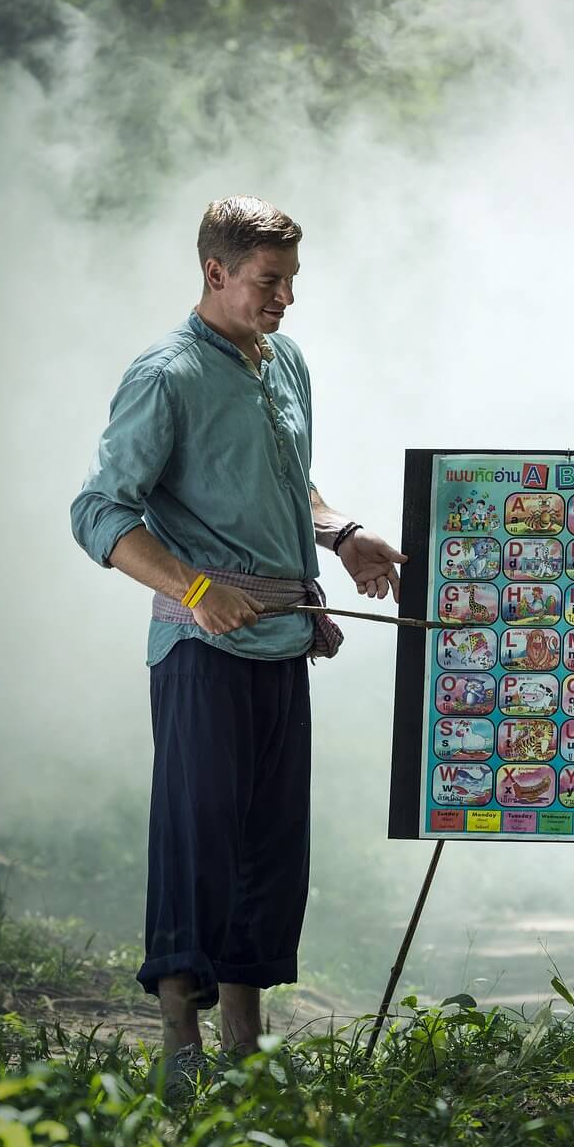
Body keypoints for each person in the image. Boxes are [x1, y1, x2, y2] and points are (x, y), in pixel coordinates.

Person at [69, 196, 405, 1084]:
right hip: (201, 650)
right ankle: (181, 1050)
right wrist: (196, 587)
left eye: (291, 280)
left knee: (268, 847)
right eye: (269, 281)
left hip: (281, 642)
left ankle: (244, 1053)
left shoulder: (283, 361)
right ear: (216, 272)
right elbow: (99, 511)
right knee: (198, 839)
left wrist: (344, 534)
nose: (286, 298)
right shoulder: (165, 376)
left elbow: (286, 480)